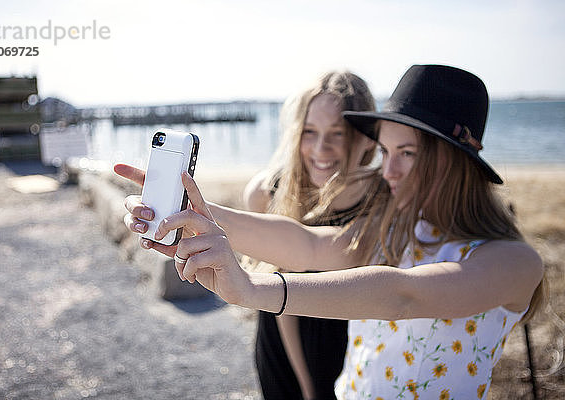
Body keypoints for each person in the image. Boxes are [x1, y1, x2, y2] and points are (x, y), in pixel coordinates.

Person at [115, 65, 545, 399]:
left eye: (407, 154)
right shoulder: (393, 226)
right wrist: (191, 211)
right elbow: (306, 244)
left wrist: (251, 289)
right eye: (386, 152)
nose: (388, 171)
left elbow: (403, 294)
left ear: (455, 160)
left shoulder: (513, 262)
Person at [242, 71, 379, 400]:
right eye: (309, 131)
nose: (321, 148)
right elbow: (280, 301)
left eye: (338, 133)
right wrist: (310, 387)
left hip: (355, 343)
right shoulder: (266, 193)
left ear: (364, 137)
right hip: (285, 343)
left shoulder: (382, 199)